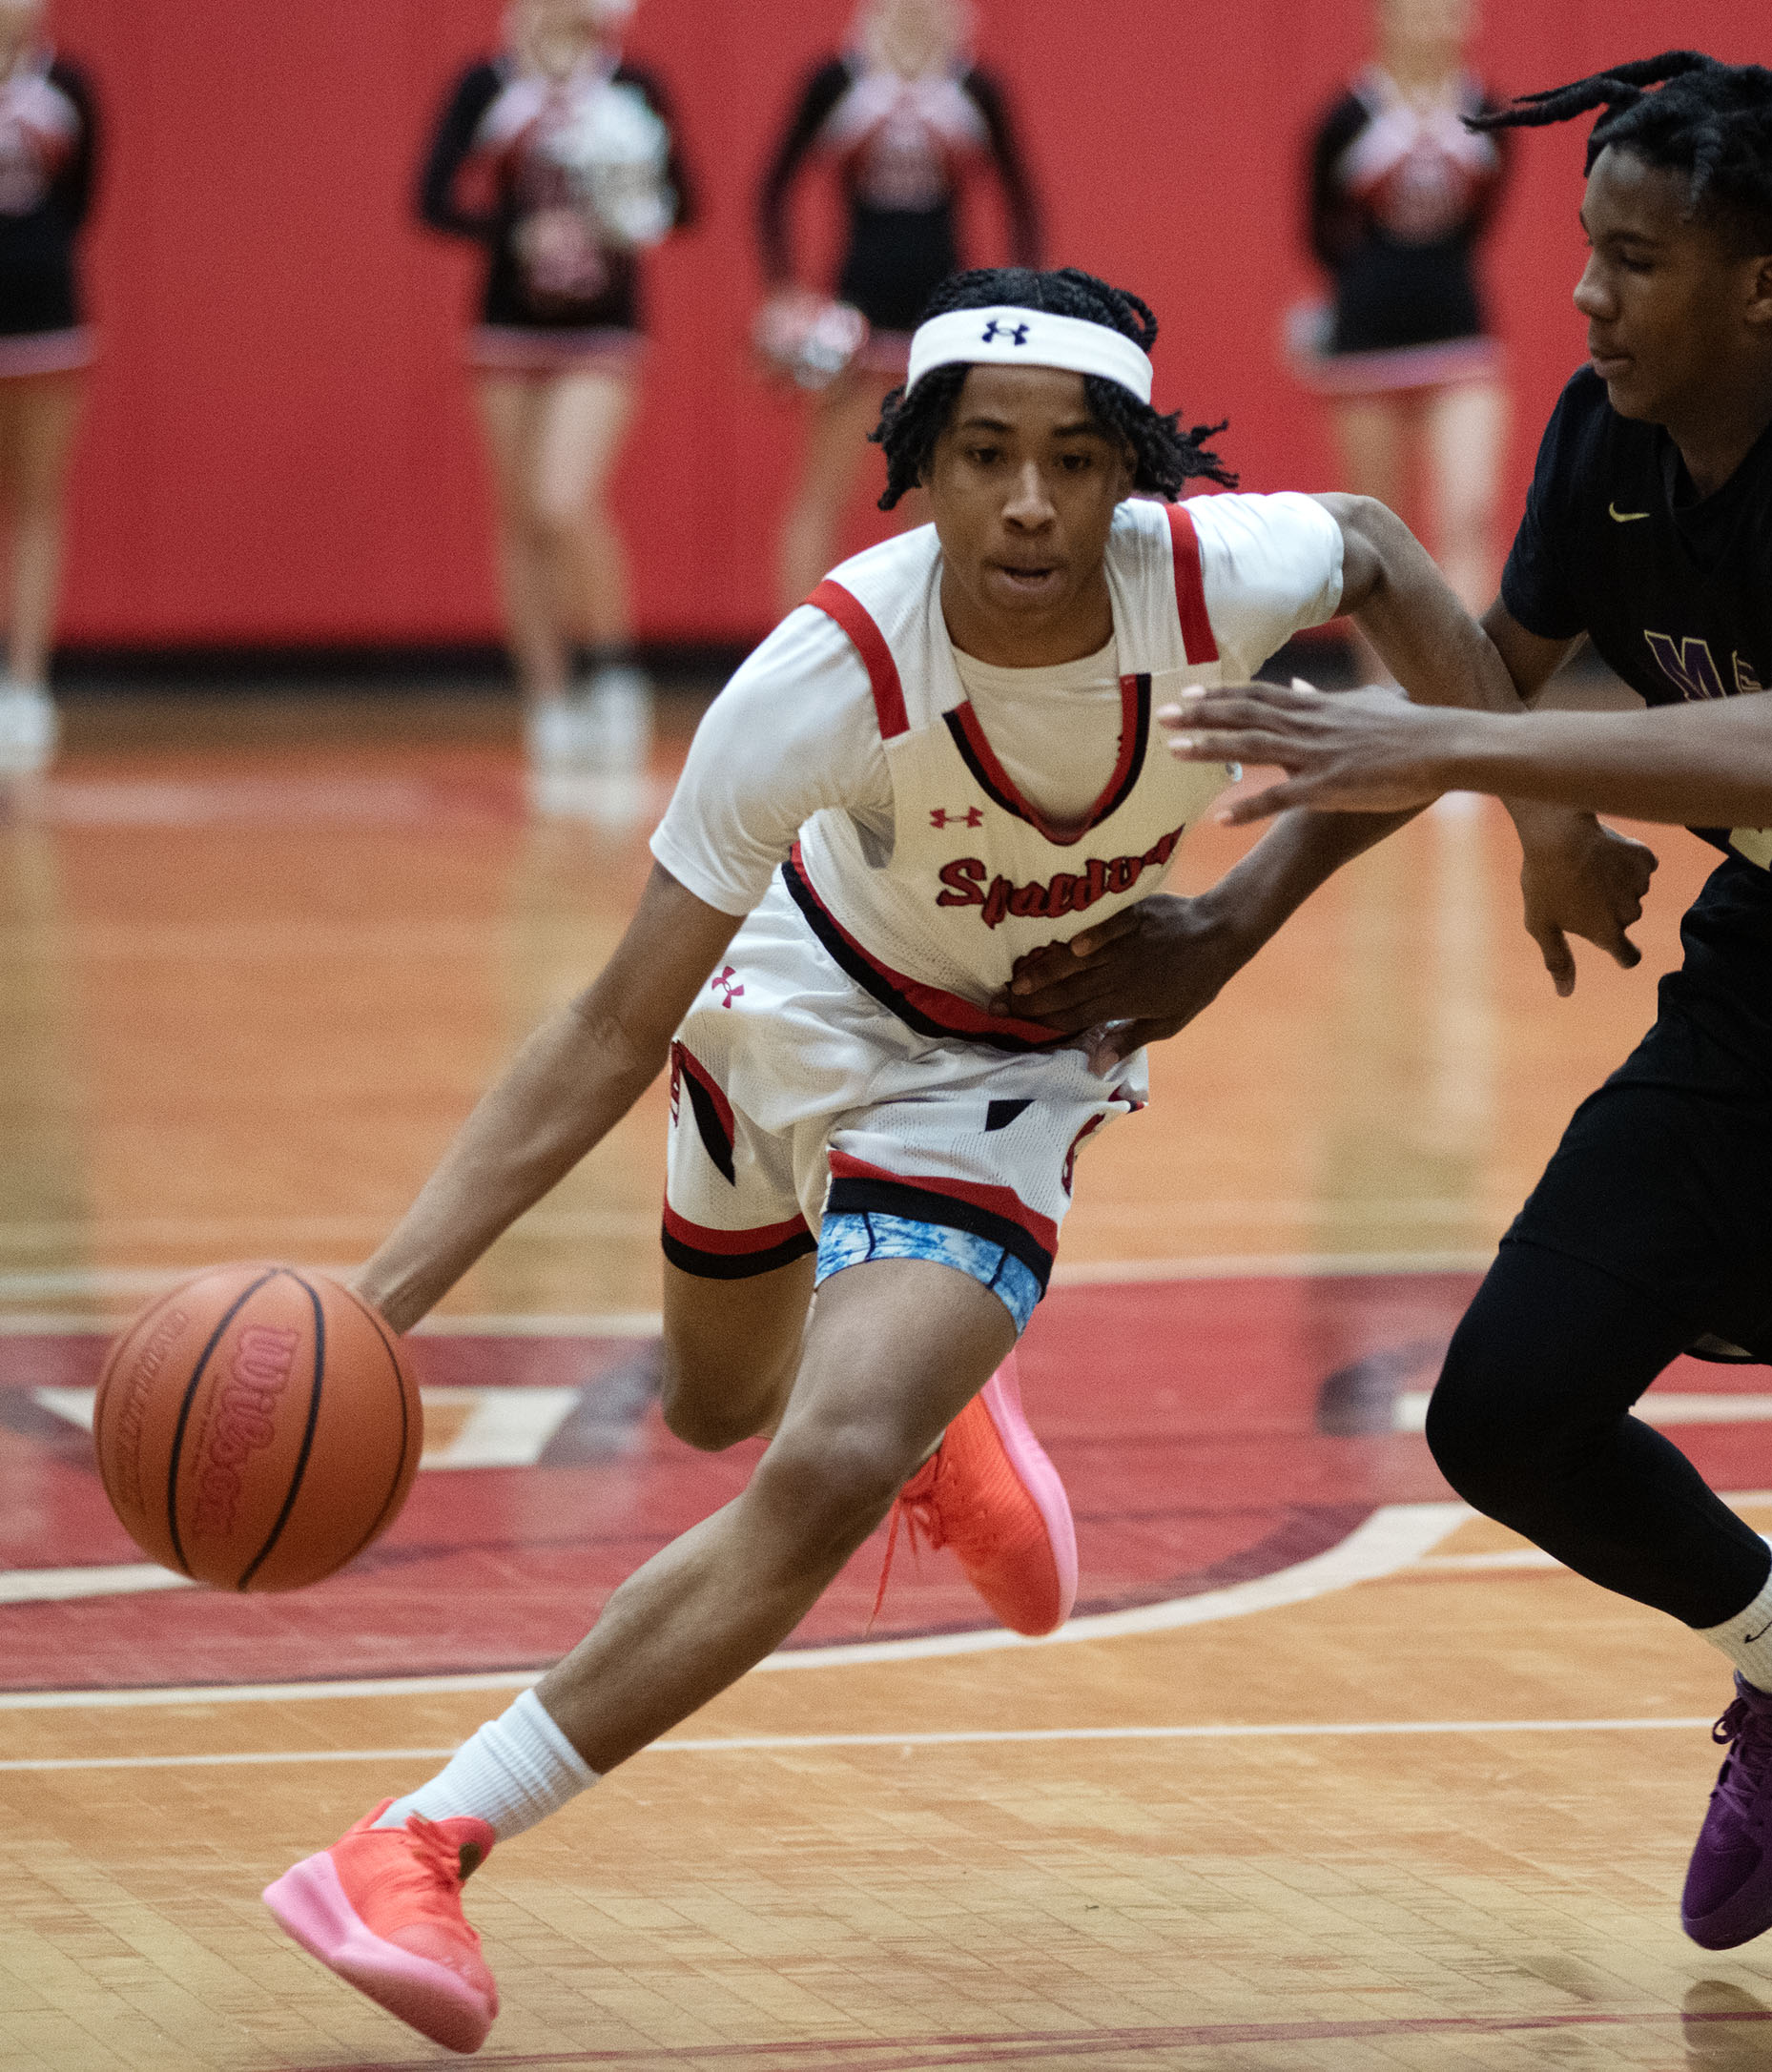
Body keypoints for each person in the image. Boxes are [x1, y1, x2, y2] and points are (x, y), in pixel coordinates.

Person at [259, 263, 1509, 2056]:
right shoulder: (823, 674)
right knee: (714, 1406)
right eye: (981, 453)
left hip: (993, 1070)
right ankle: (940, 1409)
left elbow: (1384, 542)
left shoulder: (1213, 577)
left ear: (1132, 472)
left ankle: (417, 1839)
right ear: (915, 466)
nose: (1025, 500)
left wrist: (1496, 824)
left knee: (819, 1458)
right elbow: (613, 1021)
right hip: (792, 1000)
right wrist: (384, 1303)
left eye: (1074, 461)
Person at [1123, 51, 1772, 2039]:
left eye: (1637, 260)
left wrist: (1462, 753)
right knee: (1503, 1413)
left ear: (1770, 284)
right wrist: (1219, 938)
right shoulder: (1608, 439)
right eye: (1589, 254)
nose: (1588, 300)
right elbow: (1479, 673)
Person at [418, 0, 691, 775]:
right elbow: (433, 198)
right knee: (518, 517)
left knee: (563, 499)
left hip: (604, 327)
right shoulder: (487, 84)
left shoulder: (633, 87)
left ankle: (612, 666)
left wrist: (626, 206)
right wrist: (513, 232)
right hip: (506, 328)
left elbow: (683, 203)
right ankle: (547, 697)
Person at [754, 0, 1041, 618]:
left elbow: (1022, 198)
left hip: (945, 322)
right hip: (855, 317)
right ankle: (790, 648)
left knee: (935, 491)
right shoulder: (838, 81)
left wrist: (1023, 297)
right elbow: (772, 187)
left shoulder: (973, 87)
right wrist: (785, 292)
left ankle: (926, 655)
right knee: (824, 490)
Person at [1297, 0, 1510, 640]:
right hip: (1367, 353)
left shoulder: (1488, 112)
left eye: (1449, 12)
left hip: (1462, 342)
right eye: (1419, 12)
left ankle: (1469, 692)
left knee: (1470, 517)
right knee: (1375, 534)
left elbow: (1480, 222)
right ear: (1384, 20)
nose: (1435, 26)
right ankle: (1384, 704)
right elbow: (1318, 232)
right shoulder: (1346, 118)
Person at [0, 0, 93, 774]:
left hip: (46, 323)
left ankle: (25, 682)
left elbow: (80, 202)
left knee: (35, 499)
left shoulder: (68, 88)